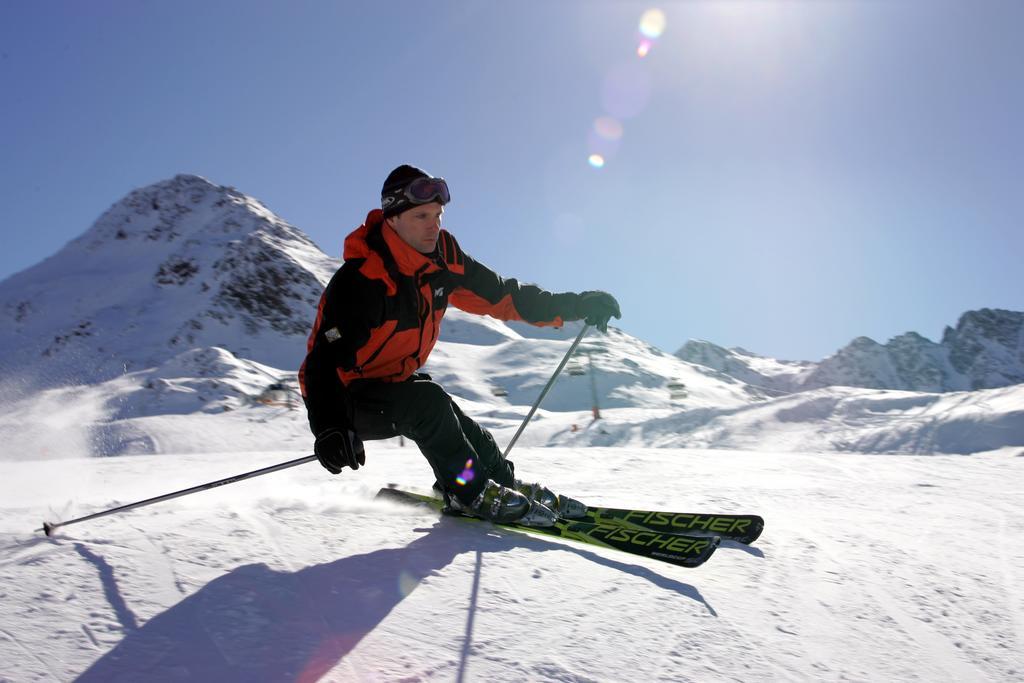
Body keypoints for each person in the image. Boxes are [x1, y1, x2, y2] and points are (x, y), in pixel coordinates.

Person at [299, 165, 620, 527]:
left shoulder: (443, 262)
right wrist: (329, 428)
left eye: (437, 215)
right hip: (345, 399)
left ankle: (500, 482)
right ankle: (470, 492)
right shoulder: (364, 281)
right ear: (391, 220)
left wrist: (575, 305)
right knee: (428, 404)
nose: (433, 225)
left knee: (457, 423)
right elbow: (321, 365)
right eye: (421, 215)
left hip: (394, 385)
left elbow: (505, 296)